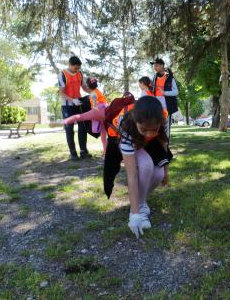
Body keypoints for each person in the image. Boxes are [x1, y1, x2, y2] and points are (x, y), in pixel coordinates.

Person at [118, 96, 170, 238]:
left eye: (154, 129)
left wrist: (166, 171)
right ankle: (138, 209)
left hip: (152, 146)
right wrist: (135, 215)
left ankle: (140, 202)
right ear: (136, 121)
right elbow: (132, 176)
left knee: (158, 174)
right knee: (146, 165)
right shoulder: (126, 128)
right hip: (134, 143)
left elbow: (164, 143)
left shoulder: (164, 120)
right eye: (144, 129)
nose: (149, 133)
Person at [63, 77, 108, 155]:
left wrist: (91, 110)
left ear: (88, 85)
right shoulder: (96, 91)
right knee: (103, 135)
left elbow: (94, 105)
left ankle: (64, 121)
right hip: (105, 110)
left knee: (80, 117)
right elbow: (86, 90)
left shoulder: (93, 93)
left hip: (99, 110)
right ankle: (106, 152)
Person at [58, 56, 92, 160]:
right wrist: (72, 100)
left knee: (83, 127)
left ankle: (83, 151)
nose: (77, 70)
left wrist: (94, 93)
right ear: (70, 65)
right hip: (67, 105)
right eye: (75, 68)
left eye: (78, 68)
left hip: (79, 104)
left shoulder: (80, 74)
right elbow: (61, 92)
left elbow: (84, 87)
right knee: (69, 129)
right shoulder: (62, 74)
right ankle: (73, 153)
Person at [151, 58, 178, 139]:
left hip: (167, 104)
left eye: (156, 65)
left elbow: (176, 92)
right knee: (156, 125)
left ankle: (166, 146)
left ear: (162, 65)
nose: (154, 67)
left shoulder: (169, 77)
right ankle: (158, 145)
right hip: (156, 104)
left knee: (166, 127)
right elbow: (152, 90)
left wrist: (164, 93)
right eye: (154, 66)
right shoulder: (154, 76)